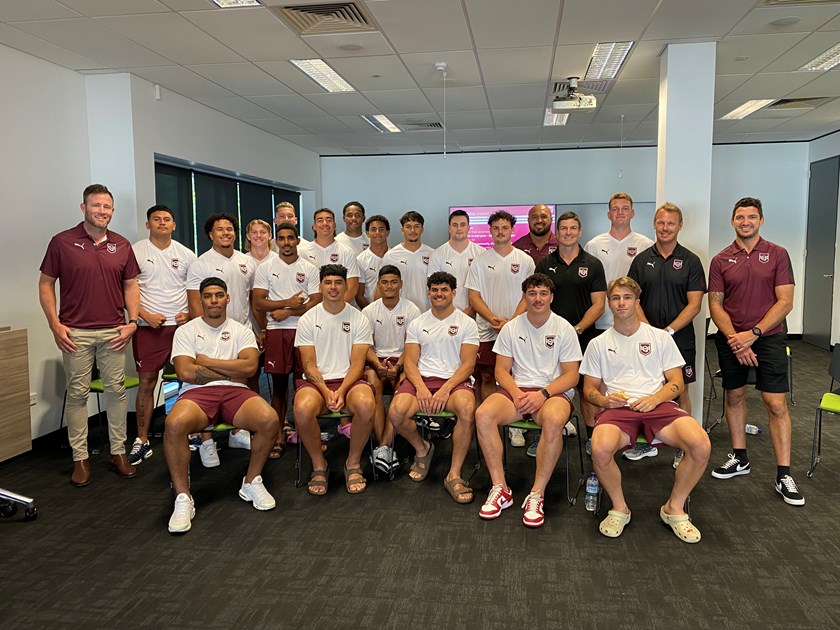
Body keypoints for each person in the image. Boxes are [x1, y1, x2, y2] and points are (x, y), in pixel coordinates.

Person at [581, 277, 711, 543]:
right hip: (618, 410)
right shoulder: (598, 343)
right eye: (616, 298)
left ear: (637, 302)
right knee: (600, 448)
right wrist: (604, 401)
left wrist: (655, 398)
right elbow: (589, 389)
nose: (621, 303)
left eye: (627, 298)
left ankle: (674, 508)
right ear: (609, 303)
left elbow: (676, 383)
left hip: (659, 406)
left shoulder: (659, 337)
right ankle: (619, 508)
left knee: (701, 445)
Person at [39, 183, 140, 487]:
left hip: (114, 332)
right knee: (78, 394)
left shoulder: (122, 244)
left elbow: (130, 285)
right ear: (84, 208)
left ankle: (118, 453)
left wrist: (133, 322)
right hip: (75, 332)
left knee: (116, 393)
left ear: (112, 210)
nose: (102, 211)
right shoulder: (62, 242)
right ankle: (80, 458)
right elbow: (46, 284)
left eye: (107, 206)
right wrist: (54, 324)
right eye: (96, 205)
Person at [164, 277, 279, 534]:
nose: (213, 300)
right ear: (201, 300)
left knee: (269, 419)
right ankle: (183, 497)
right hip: (197, 393)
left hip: (235, 392)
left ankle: (251, 481)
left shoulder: (241, 331)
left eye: (218, 295)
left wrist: (205, 361)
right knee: (174, 424)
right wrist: (230, 371)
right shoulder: (186, 331)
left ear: (228, 298)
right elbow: (185, 372)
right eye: (208, 296)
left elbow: (250, 368)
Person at [708, 197, 802, 506]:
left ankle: (784, 474)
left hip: (768, 338)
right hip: (732, 338)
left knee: (775, 403)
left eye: (751, 217)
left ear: (761, 220)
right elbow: (715, 304)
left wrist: (754, 334)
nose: (745, 222)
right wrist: (736, 340)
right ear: (732, 221)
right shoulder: (721, 259)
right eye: (740, 217)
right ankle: (739, 457)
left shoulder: (777, 254)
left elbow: (785, 302)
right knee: (734, 396)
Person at [475, 273, 581, 527]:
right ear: (524, 297)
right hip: (519, 390)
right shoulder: (511, 328)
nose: (537, 299)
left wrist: (543, 394)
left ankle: (537, 494)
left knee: (554, 420)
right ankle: (500, 488)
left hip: (552, 392)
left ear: (551, 297)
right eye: (532, 294)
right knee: (483, 414)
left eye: (543, 293)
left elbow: (572, 376)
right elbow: (501, 371)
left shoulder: (564, 328)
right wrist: (516, 393)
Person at [387, 272, 479, 503]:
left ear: (453, 293)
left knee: (467, 410)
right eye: (435, 290)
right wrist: (421, 388)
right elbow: (410, 362)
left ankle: (454, 473)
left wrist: (445, 390)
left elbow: (468, 364)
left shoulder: (467, 323)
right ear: (428, 293)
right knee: (396, 413)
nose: (439, 294)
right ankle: (422, 448)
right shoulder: (417, 323)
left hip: (454, 382)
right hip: (422, 380)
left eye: (444, 289)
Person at [628, 202, 706, 467]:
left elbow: (695, 305)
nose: (665, 228)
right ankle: (644, 443)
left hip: (679, 338)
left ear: (680, 226)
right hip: (644, 338)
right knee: (643, 387)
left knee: (680, 389)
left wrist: (668, 331)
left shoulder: (691, 261)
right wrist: (650, 332)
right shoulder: (641, 260)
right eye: (661, 223)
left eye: (670, 223)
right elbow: (633, 300)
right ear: (654, 224)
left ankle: (683, 447)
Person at [293, 264, 375, 495]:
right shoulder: (308, 319)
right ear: (320, 286)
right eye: (328, 282)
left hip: (349, 381)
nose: (333, 287)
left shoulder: (359, 318)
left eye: (338, 282)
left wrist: (341, 391)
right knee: (302, 409)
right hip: (317, 383)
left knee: (366, 404)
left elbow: (358, 364)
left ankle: (353, 462)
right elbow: (308, 364)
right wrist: (326, 391)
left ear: (346, 286)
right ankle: (319, 465)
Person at [186, 212, 257, 462]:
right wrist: (201, 334)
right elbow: (195, 303)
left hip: (241, 332)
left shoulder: (247, 261)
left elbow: (250, 299)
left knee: (242, 380)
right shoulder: (201, 263)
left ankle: (238, 431)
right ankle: (207, 440)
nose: (225, 233)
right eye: (220, 229)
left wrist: (257, 330)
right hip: (209, 333)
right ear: (210, 234)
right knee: (207, 381)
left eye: (229, 229)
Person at [128, 204, 196, 465]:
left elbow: (194, 290)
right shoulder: (135, 251)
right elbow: (125, 290)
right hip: (149, 327)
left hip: (180, 328)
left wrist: (189, 314)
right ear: (148, 224)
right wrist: (144, 315)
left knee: (187, 379)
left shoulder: (186, 254)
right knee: (147, 382)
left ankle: (188, 432)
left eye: (167, 219)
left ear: (174, 225)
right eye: (156, 219)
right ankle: (142, 439)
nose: (162, 223)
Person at [535, 211, 606, 454]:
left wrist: (577, 329)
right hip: (550, 339)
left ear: (580, 231)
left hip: (584, 337)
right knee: (548, 385)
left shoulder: (593, 264)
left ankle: (592, 437)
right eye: (563, 228)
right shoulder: (545, 264)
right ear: (557, 233)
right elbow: (538, 299)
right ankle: (545, 433)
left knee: (587, 389)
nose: (568, 232)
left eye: (572, 228)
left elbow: (599, 305)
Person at [252, 222, 321, 459]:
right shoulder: (266, 267)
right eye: (281, 238)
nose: (286, 243)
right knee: (279, 387)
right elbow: (258, 302)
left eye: (290, 238)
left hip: (305, 333)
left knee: (304, 384)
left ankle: (305, 433)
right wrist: (287, 303)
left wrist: (288, 312)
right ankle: (278, 435)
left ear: (297, 240)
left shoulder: (309, 268)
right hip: (277, 332)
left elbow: (316, 301)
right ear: (276, 242)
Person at [466, 210, 535, 417]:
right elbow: (474, 297)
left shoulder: (525, 260)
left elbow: (528, 296)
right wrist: (493, 319)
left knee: (516, 376)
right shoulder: (480, 261)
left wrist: (511, 323)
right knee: (487, 376)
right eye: (496, 228)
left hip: (518, 328)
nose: (500, 232)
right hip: (487, 329)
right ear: (490, 231)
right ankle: (490, 417)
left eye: (505, 228)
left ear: (513, 230)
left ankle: (517, 419)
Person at [362, 265, 422, 474]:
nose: (389, 286)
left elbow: (411, 347)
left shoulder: (412, 310)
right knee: (371, 384)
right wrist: (378, 366)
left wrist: (397, 366)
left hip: (402, 361)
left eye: (393, 282)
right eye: (385, 282)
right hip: (376, 362)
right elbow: (365, 346)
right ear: (378, 284)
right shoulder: (369, 311)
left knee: (403, 384)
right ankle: (385, 447)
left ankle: (383, 447)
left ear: (401, 284)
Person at [584, 192, 653, 332]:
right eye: (615, 209)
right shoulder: (594, 245)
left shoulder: (646, 245)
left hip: (636, 322)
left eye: (625, 208)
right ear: (609, 215)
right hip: (602, 321)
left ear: (632, 213)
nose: (620, 212)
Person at [427, 210, 484, 315]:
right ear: (449, 228)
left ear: (468, 228)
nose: (459, 229)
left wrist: (471, 310)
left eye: (462, 225)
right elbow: (433, 287)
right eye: (455, 225)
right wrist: (450, 313)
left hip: (475, 314)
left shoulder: (481, 253)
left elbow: (484, 286)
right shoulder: (437, 254)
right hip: (446, 314)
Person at [298, 207, 361, 304]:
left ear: (334, 225)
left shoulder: (347, 251)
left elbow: (352, 288)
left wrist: (333, 307)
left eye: (329, 220)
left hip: (340, 307)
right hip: (311, 307)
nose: (325, 223)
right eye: (320, 220)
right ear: (314, 226)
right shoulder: (302, 252)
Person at [381, 211, 435, 311]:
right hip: (400, 312)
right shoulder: (391, 255)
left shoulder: (432, 254)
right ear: (402, 230)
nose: (412, 230)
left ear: (422, 229)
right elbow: (382, 286)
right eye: (408, 227)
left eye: (416, 226)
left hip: (427, 310)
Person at [355, 214, 390, 309]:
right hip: (369, 310)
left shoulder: (395, 257)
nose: (377, 233)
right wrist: (371, 313)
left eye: (381, 229)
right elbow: (359, 296)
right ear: (367, 233)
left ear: (387, 232)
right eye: (373, 229)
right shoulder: (360, 260)